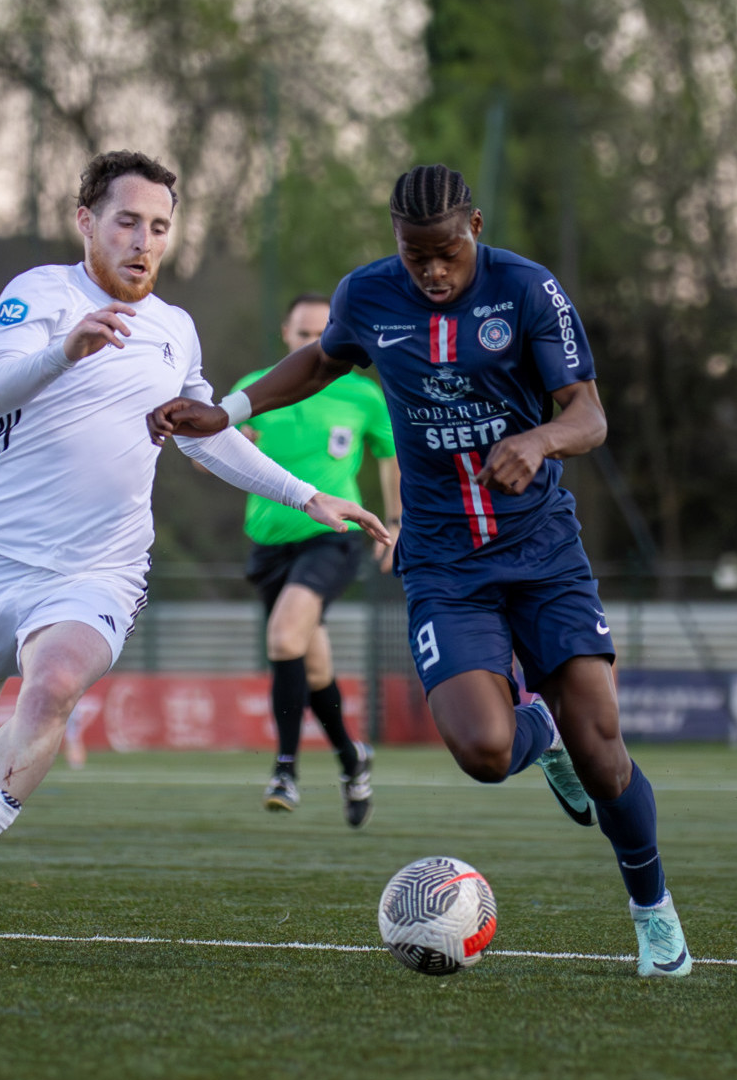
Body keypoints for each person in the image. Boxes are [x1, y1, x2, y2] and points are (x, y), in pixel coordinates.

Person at [149, 164, 693, 978]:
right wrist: (232, 411)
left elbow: (588, 411)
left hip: (543, 549)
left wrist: (539, 440)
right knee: (481, 748)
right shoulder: (369, 295)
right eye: (415, 256)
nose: (431, 271)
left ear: (475, 225)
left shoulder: (528, 291)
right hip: (441, 559)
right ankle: (535, 732)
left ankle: (654, 914)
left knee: (606, 754)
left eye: (445, 252)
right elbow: (322, 361)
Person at [0, 151, 389, 926]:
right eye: (128, 221)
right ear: (87, 221)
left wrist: (308, 495)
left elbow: (203, 436)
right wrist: (67, 349)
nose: (144, 241)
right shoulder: (39, 293)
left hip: (100, 566)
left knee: (54, 684)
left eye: (160, 226)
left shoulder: (173, 330)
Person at [233, 292, 401, 826]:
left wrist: (394, 522)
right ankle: (353, 761)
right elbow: (213, 453)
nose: (311, 342)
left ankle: (285, 767)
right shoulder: (257, 389)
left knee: (284, 637)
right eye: (302, 334)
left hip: (332, 538)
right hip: (268, 543)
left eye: (321, 333)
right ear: (286, 334)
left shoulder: (363, 394)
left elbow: (389, 457)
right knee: (312, 661)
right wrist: (226, 438)